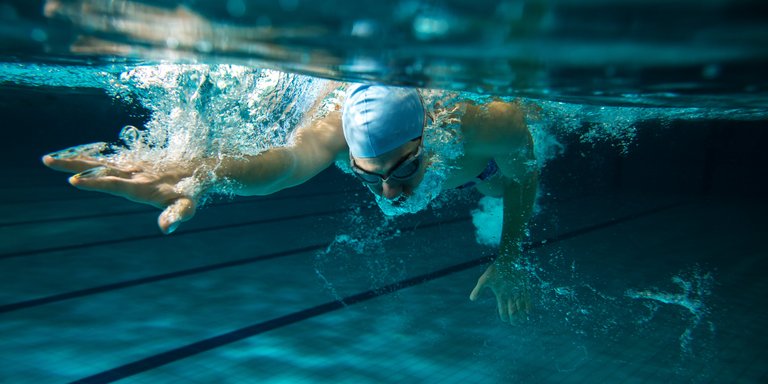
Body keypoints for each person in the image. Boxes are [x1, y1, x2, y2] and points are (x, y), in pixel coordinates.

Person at [42, 84, 538, 323]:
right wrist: (203, 174)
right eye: (368, 178)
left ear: (427, 136)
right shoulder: (331, 128)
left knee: (495, 184)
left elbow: (525, 179)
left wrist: (509, 257)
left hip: (485, 170)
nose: (389, 192)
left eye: (405, 169)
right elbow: (281, 168)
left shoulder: (491, 123)